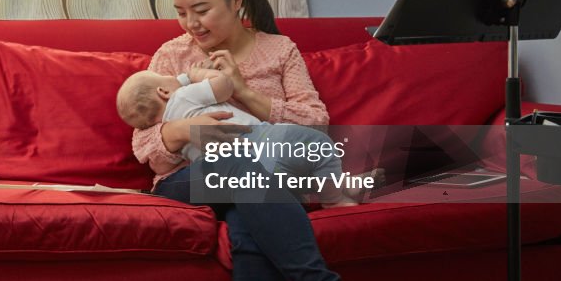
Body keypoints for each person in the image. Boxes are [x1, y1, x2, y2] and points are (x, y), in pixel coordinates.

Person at [131, 0, 395, 281]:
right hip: (186, 183)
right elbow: (146, 149)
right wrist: (182, 131)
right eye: (180, 13)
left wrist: (243, 93)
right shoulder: (171, 56)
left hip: (261, 184)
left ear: (236, 0)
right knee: (233, 162)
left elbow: (315, 122)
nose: (190, 25)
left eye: (201, 10)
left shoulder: (279, 50)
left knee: (249, 229)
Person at [116, 66, 378, 207]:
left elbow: (159, 158)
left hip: (244, 174)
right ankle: (334, 195)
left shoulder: (176, 138)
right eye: (168, 76)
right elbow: (223, 86)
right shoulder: (183, 95)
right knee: (320, 145)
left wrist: (178, 134)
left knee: (284, 186)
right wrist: (198, 75)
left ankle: (338, 188)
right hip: (262, 140)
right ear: (163, 91)